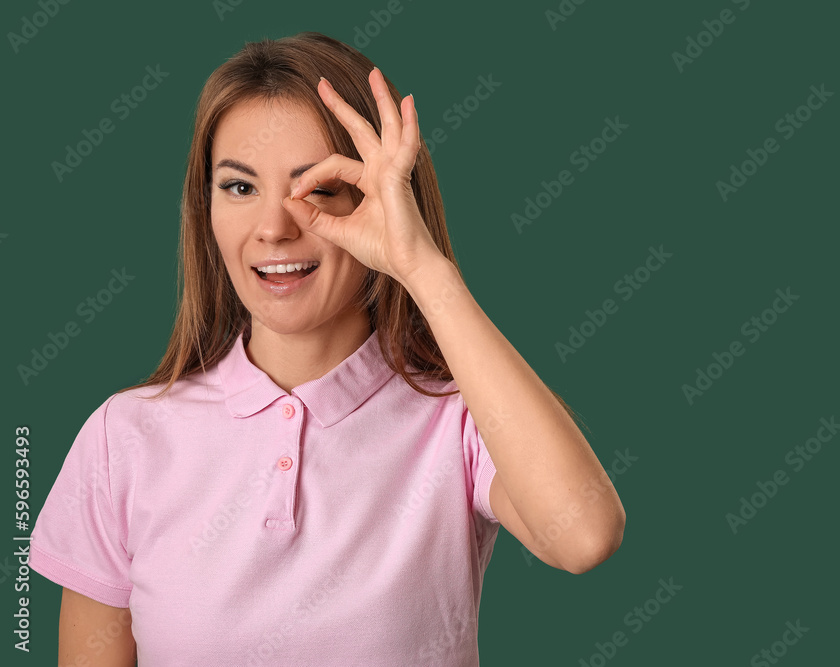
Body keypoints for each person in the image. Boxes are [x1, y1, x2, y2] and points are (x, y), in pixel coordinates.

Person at [28, 31, 626, 666]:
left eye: (318, 187)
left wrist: (420, 266)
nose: (274, 227)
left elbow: (584, 536)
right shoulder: (123, 437)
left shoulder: (458, 419)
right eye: (238, 187)